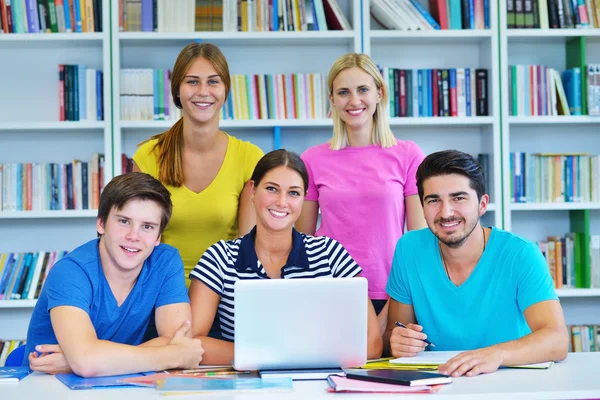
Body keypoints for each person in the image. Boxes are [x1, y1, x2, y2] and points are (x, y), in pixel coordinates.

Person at [188, 149, 383, 364]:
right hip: (245, 388)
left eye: (293, 193)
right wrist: (275, 355)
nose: (282, 202)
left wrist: (269, 354)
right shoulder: (219, 258)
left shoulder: (330, 254)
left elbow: (371, 344)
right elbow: (190, 343)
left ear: (304, 199)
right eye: (272, 189)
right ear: (253, 191)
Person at [385, 150, 569, 377]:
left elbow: (557, 340)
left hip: (508, 383)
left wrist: (496, 354)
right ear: (422, 207)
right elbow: (395, 332)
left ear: (482, 204)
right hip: (437, 384)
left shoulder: (521, 254)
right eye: (434, 200)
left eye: (458, 198)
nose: (446, 212)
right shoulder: (408, 249)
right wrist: (400, 341)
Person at [23, 172, 204, 377]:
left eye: (147, 227)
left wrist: (83, 360)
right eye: (124, 221)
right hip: (49, 387)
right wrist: (174, 356)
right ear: (101, 223)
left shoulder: (166, 261)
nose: (134, 236)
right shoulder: (70, 271)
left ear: (158, 237)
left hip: (117, 384)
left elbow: (178, 339)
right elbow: (87, 363)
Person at [297, 53, 427, 329]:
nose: (354, 101)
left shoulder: (408, 154)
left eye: (363, 90)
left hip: (393, 291)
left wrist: (397, 299)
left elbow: (418, 240)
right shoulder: (312, 159)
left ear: (380, 93)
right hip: (330, 288)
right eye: (343, 92)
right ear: (332, 99)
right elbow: (302, 240)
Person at [133, 42, 264, 285]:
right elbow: (135, 242)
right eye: (192, 81)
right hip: (159, 293)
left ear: (225, 90)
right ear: (178, 91)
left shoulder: (249, 157)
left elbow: (247, 249)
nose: (203, 91)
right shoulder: (148, 156)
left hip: (225, 292)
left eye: (213, 81)